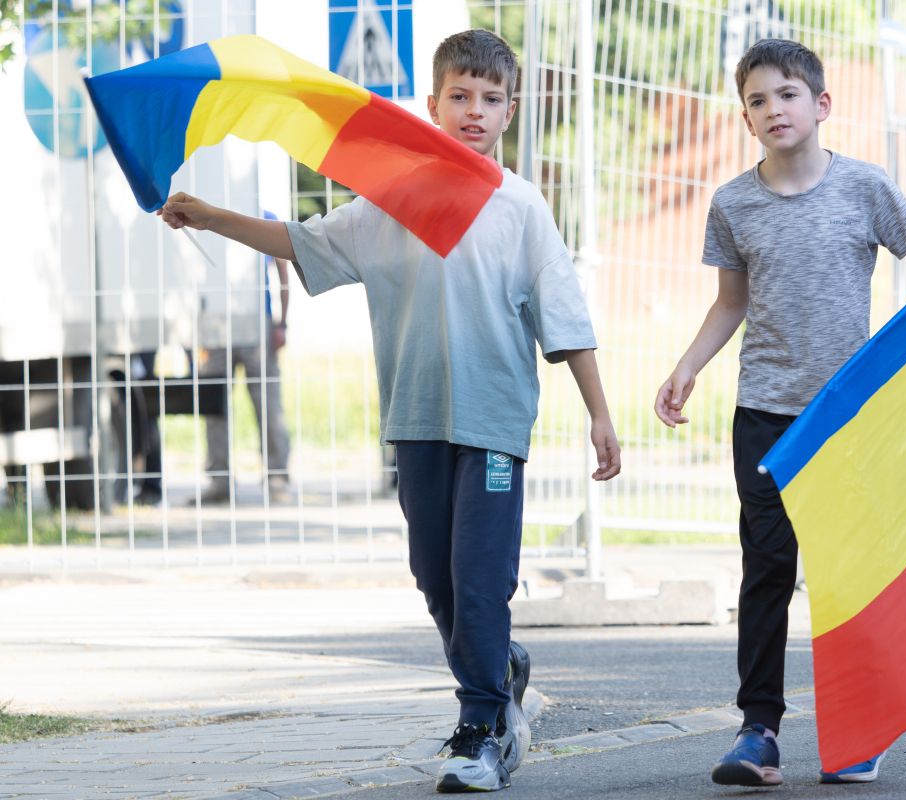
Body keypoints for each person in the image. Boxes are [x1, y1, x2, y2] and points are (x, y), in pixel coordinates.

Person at [158, 29, 621, 794]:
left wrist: (599, 414)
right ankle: (499, 667)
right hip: (415, 419)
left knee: (479, 580)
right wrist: (211, 216)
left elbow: (565, 318)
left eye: (491, 99)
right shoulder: (392, 200)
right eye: (460, 96)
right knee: (436, 580)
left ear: (511, 111)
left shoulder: (521, 208)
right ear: (432, 104)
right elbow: (301, 242)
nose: (475, 111)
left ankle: (482, 728)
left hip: (494, 425)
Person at [653, 38, 906, 788]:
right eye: (757, 100)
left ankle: (861, 728)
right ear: (746, 118)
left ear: (820, 105)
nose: (774, 109)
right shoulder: (733, 204)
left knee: (848, 573)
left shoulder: (864, 186)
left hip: (846, 419)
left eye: (787, 94)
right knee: (767, 570)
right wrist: (687, 366)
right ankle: (758, 732)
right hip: (763, 415)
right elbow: (731, 303)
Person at [194, 211, 292, 506]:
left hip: (257, 323)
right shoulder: (206, 211)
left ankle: (277, 476)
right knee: (214, 404)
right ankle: (219, 480)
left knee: (267, 403)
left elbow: (283, 269)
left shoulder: (265, 216)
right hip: (215, 323)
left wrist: (281, 323)